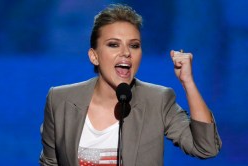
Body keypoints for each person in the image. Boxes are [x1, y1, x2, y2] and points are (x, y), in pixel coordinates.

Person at [39, 4, 222, 166]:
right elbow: (50, 162)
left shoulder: (157, 100)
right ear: (94, 56)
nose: (126, 53)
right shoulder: (60, 100)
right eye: (113, 45)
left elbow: (206, 148)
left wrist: (188, 82)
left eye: (134, 45)